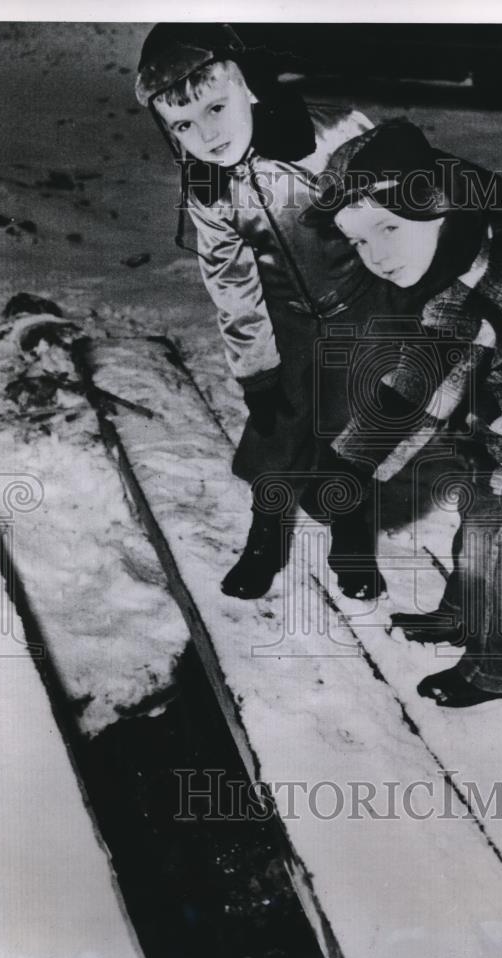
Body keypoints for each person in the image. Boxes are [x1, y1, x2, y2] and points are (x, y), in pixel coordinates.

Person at [301, 119, 502, 707]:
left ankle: (499, 669)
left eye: (389, 228)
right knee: (478, 528)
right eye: (360, 241)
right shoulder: (473, 233)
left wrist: (345, 467)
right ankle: (462, 614)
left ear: (442, 208)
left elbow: (412, 395)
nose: (376, 255)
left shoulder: (467, 303)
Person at [135, 22, 393, 602]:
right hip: (287, 322)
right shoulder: (208, 187)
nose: (207, 134)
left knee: (354, 433)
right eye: (182, 124)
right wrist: (257, 368)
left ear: (247, 87)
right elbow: (229, 279)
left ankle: (350, 534)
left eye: (216, 107)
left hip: (364, 306)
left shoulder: (329, 135)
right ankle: (265, 538)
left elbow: (398, 213)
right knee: (279, 433)